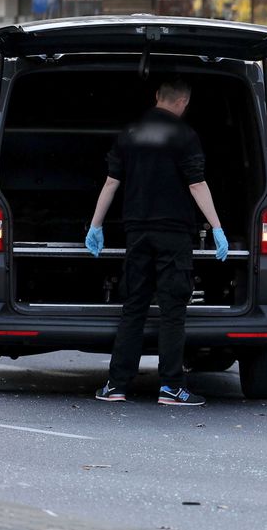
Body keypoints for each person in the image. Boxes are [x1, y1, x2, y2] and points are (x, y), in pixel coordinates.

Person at [87, 79, 228, 407]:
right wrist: (218, 227)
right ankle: (171, 386)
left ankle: (116, 385)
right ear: (183, 102)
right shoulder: (185, 135)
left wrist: (95, 225)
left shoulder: (130, 133)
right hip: (174, 235)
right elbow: (197, 185)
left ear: (156, 97)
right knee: (172, 310)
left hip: (136, 232)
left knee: (133, 307)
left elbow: (111, 182)